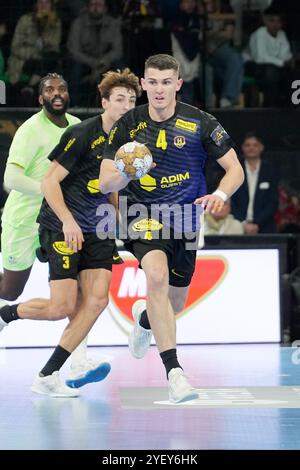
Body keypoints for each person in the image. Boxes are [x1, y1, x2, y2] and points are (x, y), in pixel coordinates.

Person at [99, 54, 244, 403]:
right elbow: (106, 183)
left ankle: (144, 319)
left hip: (186, 219)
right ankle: (175, 373)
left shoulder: (201, 123)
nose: (159, 89)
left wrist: (220, 194)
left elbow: (234, 169)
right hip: (142, 213)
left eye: (167, 82)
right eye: (153, 82)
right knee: (157, 277)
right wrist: (128, 170)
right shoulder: (127, 126)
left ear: (178, 84)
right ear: (144, 84)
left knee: (173, 301)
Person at [0, 68, 141, 397]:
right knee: (55, 304)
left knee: (95, 301)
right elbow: (49, 182)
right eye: (119, 99)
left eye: (132, 100)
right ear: (104, 102)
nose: (126, 105)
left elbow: (111, 185)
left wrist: (118, 219)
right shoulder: (80, 133)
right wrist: (68, 220)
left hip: (98, 227)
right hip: (58, 222)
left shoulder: (129, 140)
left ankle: (56, 371)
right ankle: (7, 313)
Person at [0, 72, 97, 378]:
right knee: (11, 290)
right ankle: (6, 314)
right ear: (40, 98)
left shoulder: (76, 128)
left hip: (59, 222)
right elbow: (10, 179)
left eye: (62, 88)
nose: (57, 93)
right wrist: (50, 189)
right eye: (49, 90)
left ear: (68, 95)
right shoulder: (30, 130)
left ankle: (79, 362)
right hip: (24, 221)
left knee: (79, 293)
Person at [231, 132, 279, 233]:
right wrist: (243, 223)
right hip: (237, 226)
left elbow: (273, 202)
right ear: (242, 148)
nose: (251, 148)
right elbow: (231, 200)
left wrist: (257, 223)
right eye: (247, 145)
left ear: (261, 148)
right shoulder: (234, 169)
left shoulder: (270, 170)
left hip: (265, 226)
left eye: (255, 145)